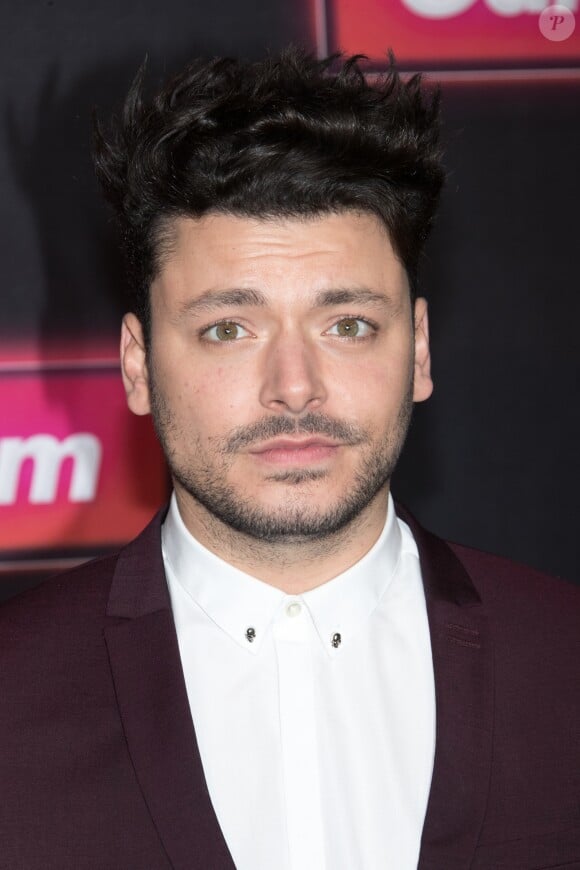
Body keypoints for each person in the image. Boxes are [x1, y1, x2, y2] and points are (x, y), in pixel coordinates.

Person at [0, 48, 578, 870]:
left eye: (347, 325)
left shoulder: (565, 666)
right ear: (138, 366)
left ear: (416, 351)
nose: (295, 388)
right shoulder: (11, 695)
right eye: (228, 330)